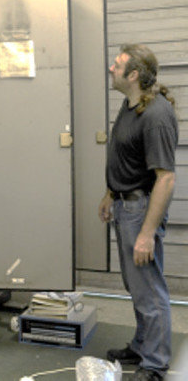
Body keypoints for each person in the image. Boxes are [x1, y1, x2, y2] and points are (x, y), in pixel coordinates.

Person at [98, 44, 178, 381]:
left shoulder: (156, 116)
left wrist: (146, 233)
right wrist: (109, 193)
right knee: (136, 285)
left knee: (149, 290)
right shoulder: (130, 103)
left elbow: (166, 179)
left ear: (133, 75)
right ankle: (143, 345)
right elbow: (123, 153)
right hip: (123, 204)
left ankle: (155, 365)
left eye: (117, 65)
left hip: (140, 211)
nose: (110, 69)